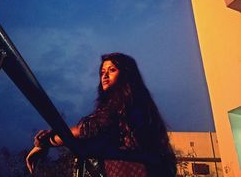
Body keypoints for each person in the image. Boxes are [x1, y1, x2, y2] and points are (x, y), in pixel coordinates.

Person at [26, 52, 177, 176]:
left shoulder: (130, 103)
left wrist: (45, 141)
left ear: (126, 75)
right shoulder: (120, 107)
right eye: (102, 72)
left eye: (112, 70)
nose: (104, 76)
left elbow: (89, 129)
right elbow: (93, 138)